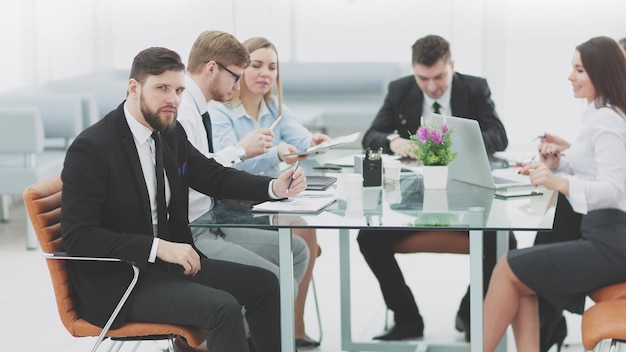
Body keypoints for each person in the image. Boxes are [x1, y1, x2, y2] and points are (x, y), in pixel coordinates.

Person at [60, 46, 307, 352]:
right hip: (120, 281)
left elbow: (213, 176)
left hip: (165, 267)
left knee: (266, 285)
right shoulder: (93, 147)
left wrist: (273, 188)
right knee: (223, 308)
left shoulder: (168, 132)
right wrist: (158, 247)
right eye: (162, 88)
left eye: (178, 90)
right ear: (133, 88)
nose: (173, 100)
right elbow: (78, 237)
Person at [358, 34, 513, 342]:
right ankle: (407, 320)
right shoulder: (400, 89)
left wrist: (459, 142)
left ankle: (470, 313)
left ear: (452, 66)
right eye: (423, 78)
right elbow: (371, 135)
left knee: (504, 242)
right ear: (414, 72)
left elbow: (500, 136)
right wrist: (393, 141)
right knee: (368, 239)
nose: (431, 86)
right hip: (414, 202)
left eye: (439, 76)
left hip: (467, 197)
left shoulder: (475, 87)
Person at [481, 36, 626, 352]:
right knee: (519, 279)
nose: (570, 77)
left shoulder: (606, 121)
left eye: (579, 70)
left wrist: (558, 182)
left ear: (601, 74)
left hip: (611, 244)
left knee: (507, 268)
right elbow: (595, 171)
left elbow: (614, 190)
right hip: (605, 237)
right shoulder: (601, 114)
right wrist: (559, 164)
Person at [176, 32, 319, 349]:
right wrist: (243, 153)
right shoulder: (186, 113)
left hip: (215, 225)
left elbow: (208, 172)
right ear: (212, 69)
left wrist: (272, 187)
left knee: (297, 250)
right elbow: (204, 174)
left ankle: (257, 331)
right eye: (237, 76)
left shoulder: (199, 110)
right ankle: (256, 334)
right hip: (195, 234)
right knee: (274, 283)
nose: (237, 86)